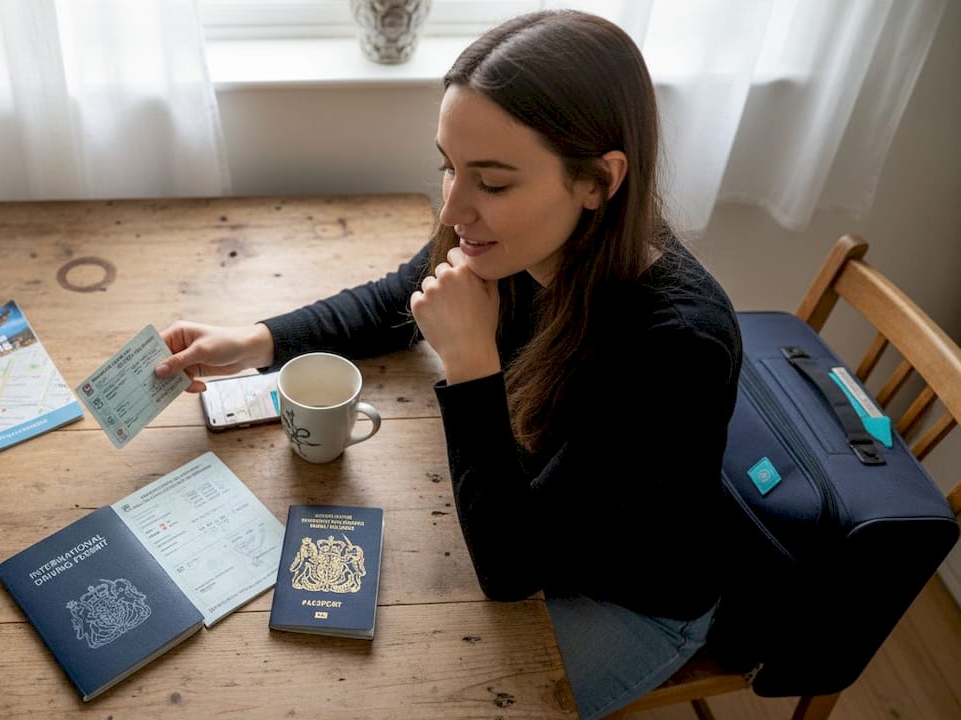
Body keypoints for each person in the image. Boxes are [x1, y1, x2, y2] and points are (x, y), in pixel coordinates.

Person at [154, 10, 741, 719]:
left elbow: (510, 569)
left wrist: (469, 362)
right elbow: (392, 300)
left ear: (598, 181)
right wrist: (253, 341)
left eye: (491, 182)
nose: (455, 207)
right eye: (447, 165)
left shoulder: (674, 346)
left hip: (631, 600)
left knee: (417, 694)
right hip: (534, 504)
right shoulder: (523, 236)